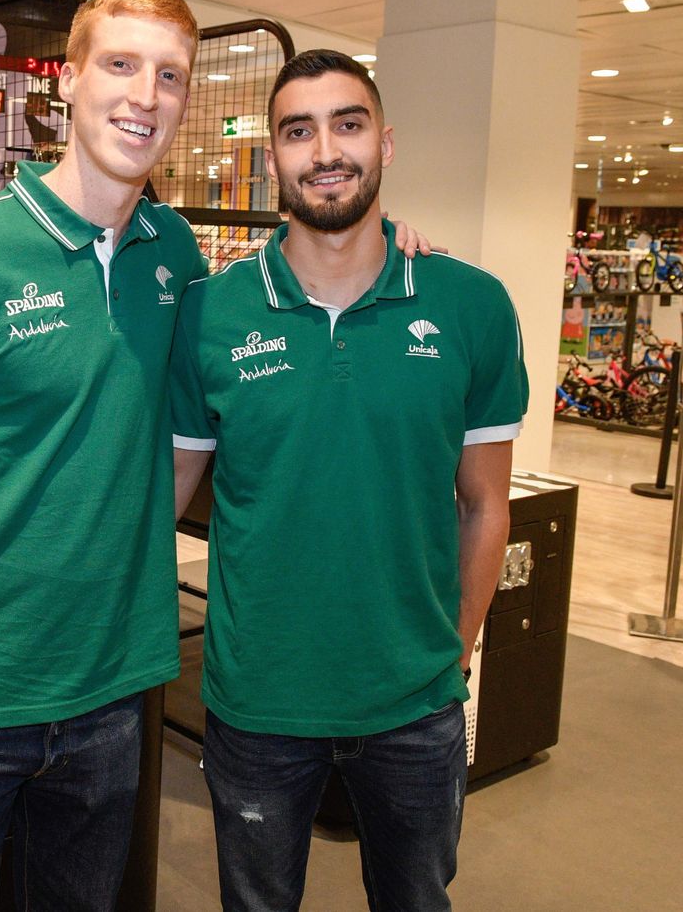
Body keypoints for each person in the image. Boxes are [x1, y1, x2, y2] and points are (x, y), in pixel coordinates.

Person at [0, 0, 430, 910]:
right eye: (122, 65)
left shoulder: (174, 253)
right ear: (70, 83)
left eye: (170, 76)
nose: (145, 95)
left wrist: (390, 247)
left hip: (112, 692)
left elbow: (260, 334)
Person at [169, 49, 526, 912]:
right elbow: (162, 505)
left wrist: (457, 655)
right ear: (274, 155)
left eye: (348, 124)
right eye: (299, 131)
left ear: (386, 143)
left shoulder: (472, 305)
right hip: (257, 702)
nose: (325, 150)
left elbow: (485, 505)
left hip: (416, 703)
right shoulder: (211, 314)